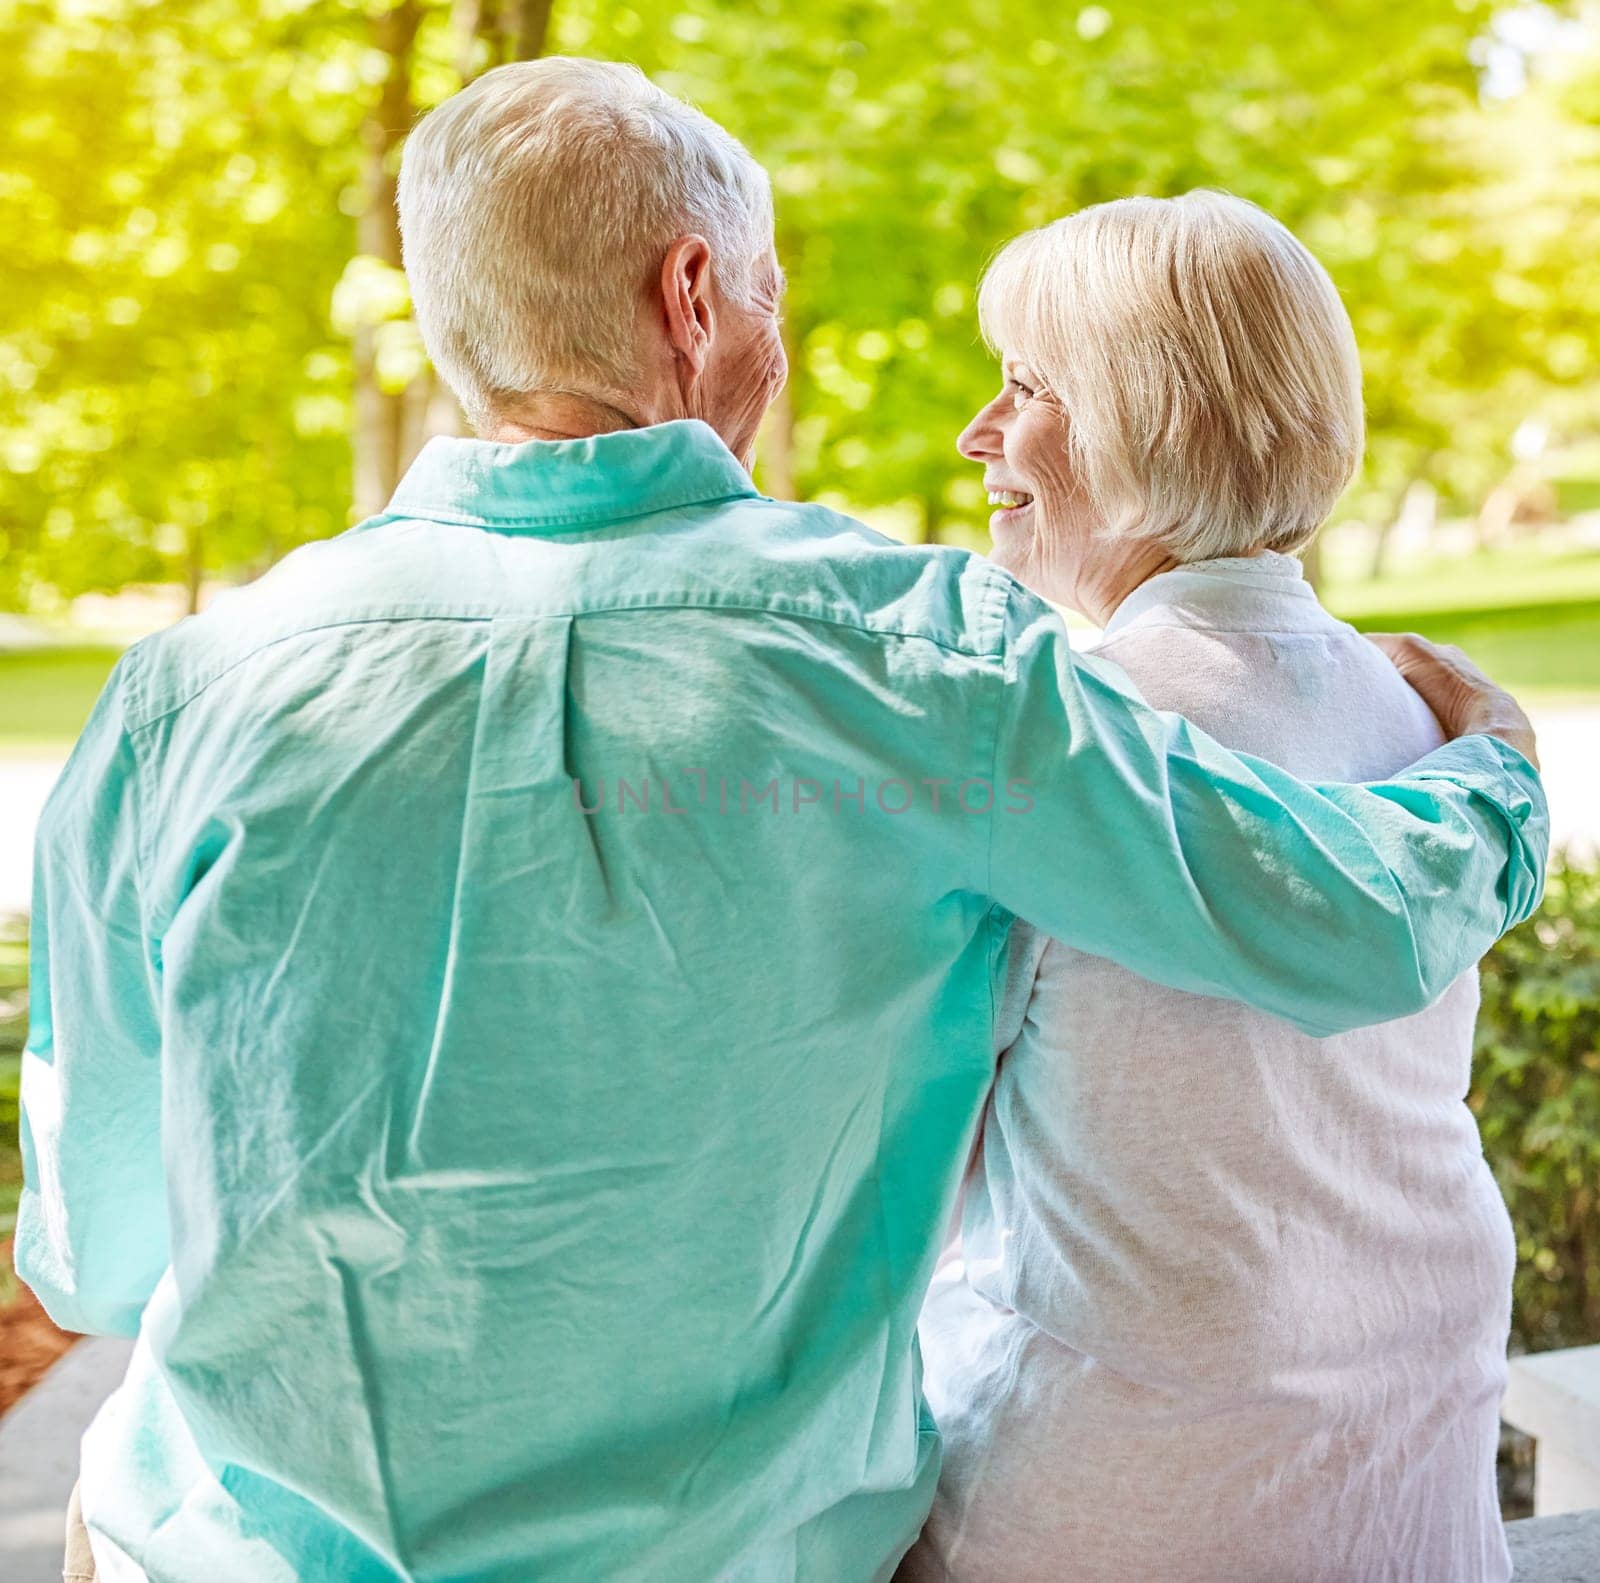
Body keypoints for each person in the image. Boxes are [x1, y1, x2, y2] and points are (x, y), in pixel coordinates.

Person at [18, 62, 1543, 1583]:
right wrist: (1496, 767)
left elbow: (95, 1253)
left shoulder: (182, 698)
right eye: (770, 297)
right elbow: (1353, 917)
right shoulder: (920, 661)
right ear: (692, 295)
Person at [901, 192, 1525, 1583]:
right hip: (1410, 1505)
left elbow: (882, 1195)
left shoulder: (1056, 740)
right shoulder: (1431, 719)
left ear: (1148, 415)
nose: (977, 435)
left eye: (1026, 387)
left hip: (1110, 1511)